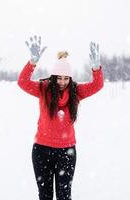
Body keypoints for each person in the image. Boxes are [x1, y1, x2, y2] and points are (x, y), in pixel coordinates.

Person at [17, 35, 104, 200]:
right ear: (53, 77)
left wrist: (96, 68)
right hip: (42, 150)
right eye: (59, 77)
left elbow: (97, 85)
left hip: (67, 151)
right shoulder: (43, 89)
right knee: (45, 196)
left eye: (66, 78)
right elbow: (22, 82)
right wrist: (32, 63)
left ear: (70, 78)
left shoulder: (75, 92)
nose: (62, 81)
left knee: (64, 196)